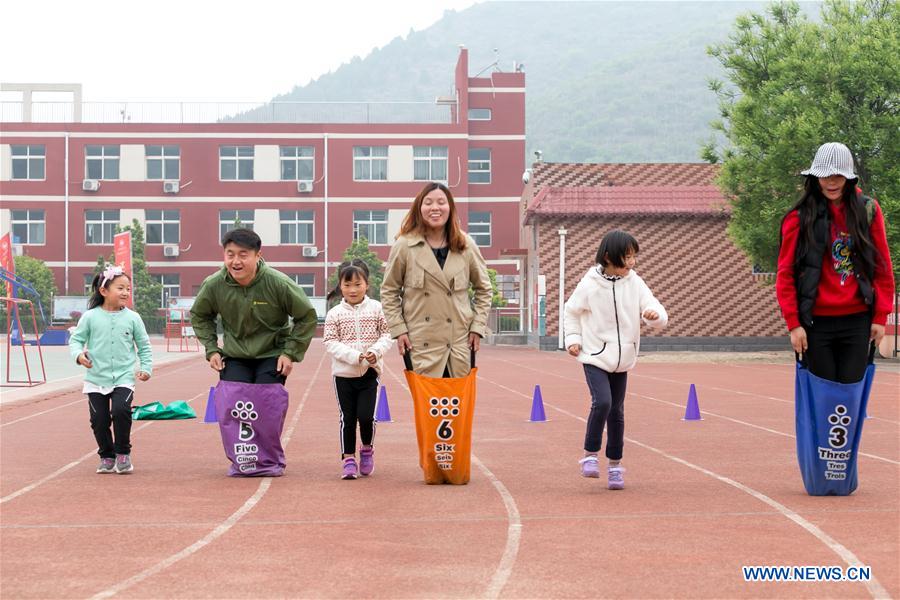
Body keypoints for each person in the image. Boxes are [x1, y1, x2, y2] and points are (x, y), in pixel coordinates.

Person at [776, 142, 895, 383]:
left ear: (849, 178)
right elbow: (785, 273)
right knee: (823, 398)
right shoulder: (799, 217)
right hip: (815, 324)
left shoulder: (867, 210)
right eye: (825, 176)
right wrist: (793, 324)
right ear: (815, 177)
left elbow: (883, 267)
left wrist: (880, 317)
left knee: (849, 398)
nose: (831, 182)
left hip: (857, 320)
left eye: (838, 175)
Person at [564, 230, 667, 490]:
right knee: (603, 402)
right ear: (609, 257)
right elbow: (571, 311)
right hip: (595, 355)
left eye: (634, 256)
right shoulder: (589, 284)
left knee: (617, 412)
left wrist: (654, 316)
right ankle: (589, 455)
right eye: (627, 257)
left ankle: (615, 466)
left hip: (623, 359)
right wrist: (573, 339)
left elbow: (651, 305)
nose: (632, 262)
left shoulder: (635, 282)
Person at [381, 182, 492, 378]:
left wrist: (478, 326)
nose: (435, 208)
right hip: (421, 343)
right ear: (419, 208)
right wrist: (399, 330)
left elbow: (484, 288)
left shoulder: (466, 245)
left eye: (441, 202)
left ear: (450, 208)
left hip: (458, 343)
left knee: (457, 405)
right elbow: (389, 290)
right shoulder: (405, 245)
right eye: (428, 202)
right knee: (427, 406)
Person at [191, 228, 317, 384]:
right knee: (235, 401)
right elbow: (200, 315)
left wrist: (289, 353)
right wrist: (212, 349)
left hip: (272, 354)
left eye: (243, 255)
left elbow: (306, 316)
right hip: (235, 355)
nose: (236, 261)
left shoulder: (278, 283)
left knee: (266, 402)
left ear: (258, 255)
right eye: (230, 255)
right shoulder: (214, 284)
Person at [69, 264, 153, 474]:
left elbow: (144, 346)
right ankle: (107, 456)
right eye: (120, 288)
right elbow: (75, 341)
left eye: (127, 289)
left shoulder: (133, 318)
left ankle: (123, 453)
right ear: (104, 291)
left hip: (124, 377)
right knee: (99, 420)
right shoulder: (90, 317)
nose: (125, 293)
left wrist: (146, 368)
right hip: (96, 379)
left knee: (121, 411)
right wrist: (79, 356)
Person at [323, 260, 393, 480]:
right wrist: (355, 356)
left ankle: (367, 450)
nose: (352, 289)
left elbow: (387, 334)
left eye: (357, 284)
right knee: (348, 418)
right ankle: (348, 459)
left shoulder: (377, 308)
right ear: (340, 286)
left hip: (370, 372)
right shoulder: (334, 313)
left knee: (366, 417)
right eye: (347, 285)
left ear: (367, 284)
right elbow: (330, 342)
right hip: (343, 375)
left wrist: (375, 351)